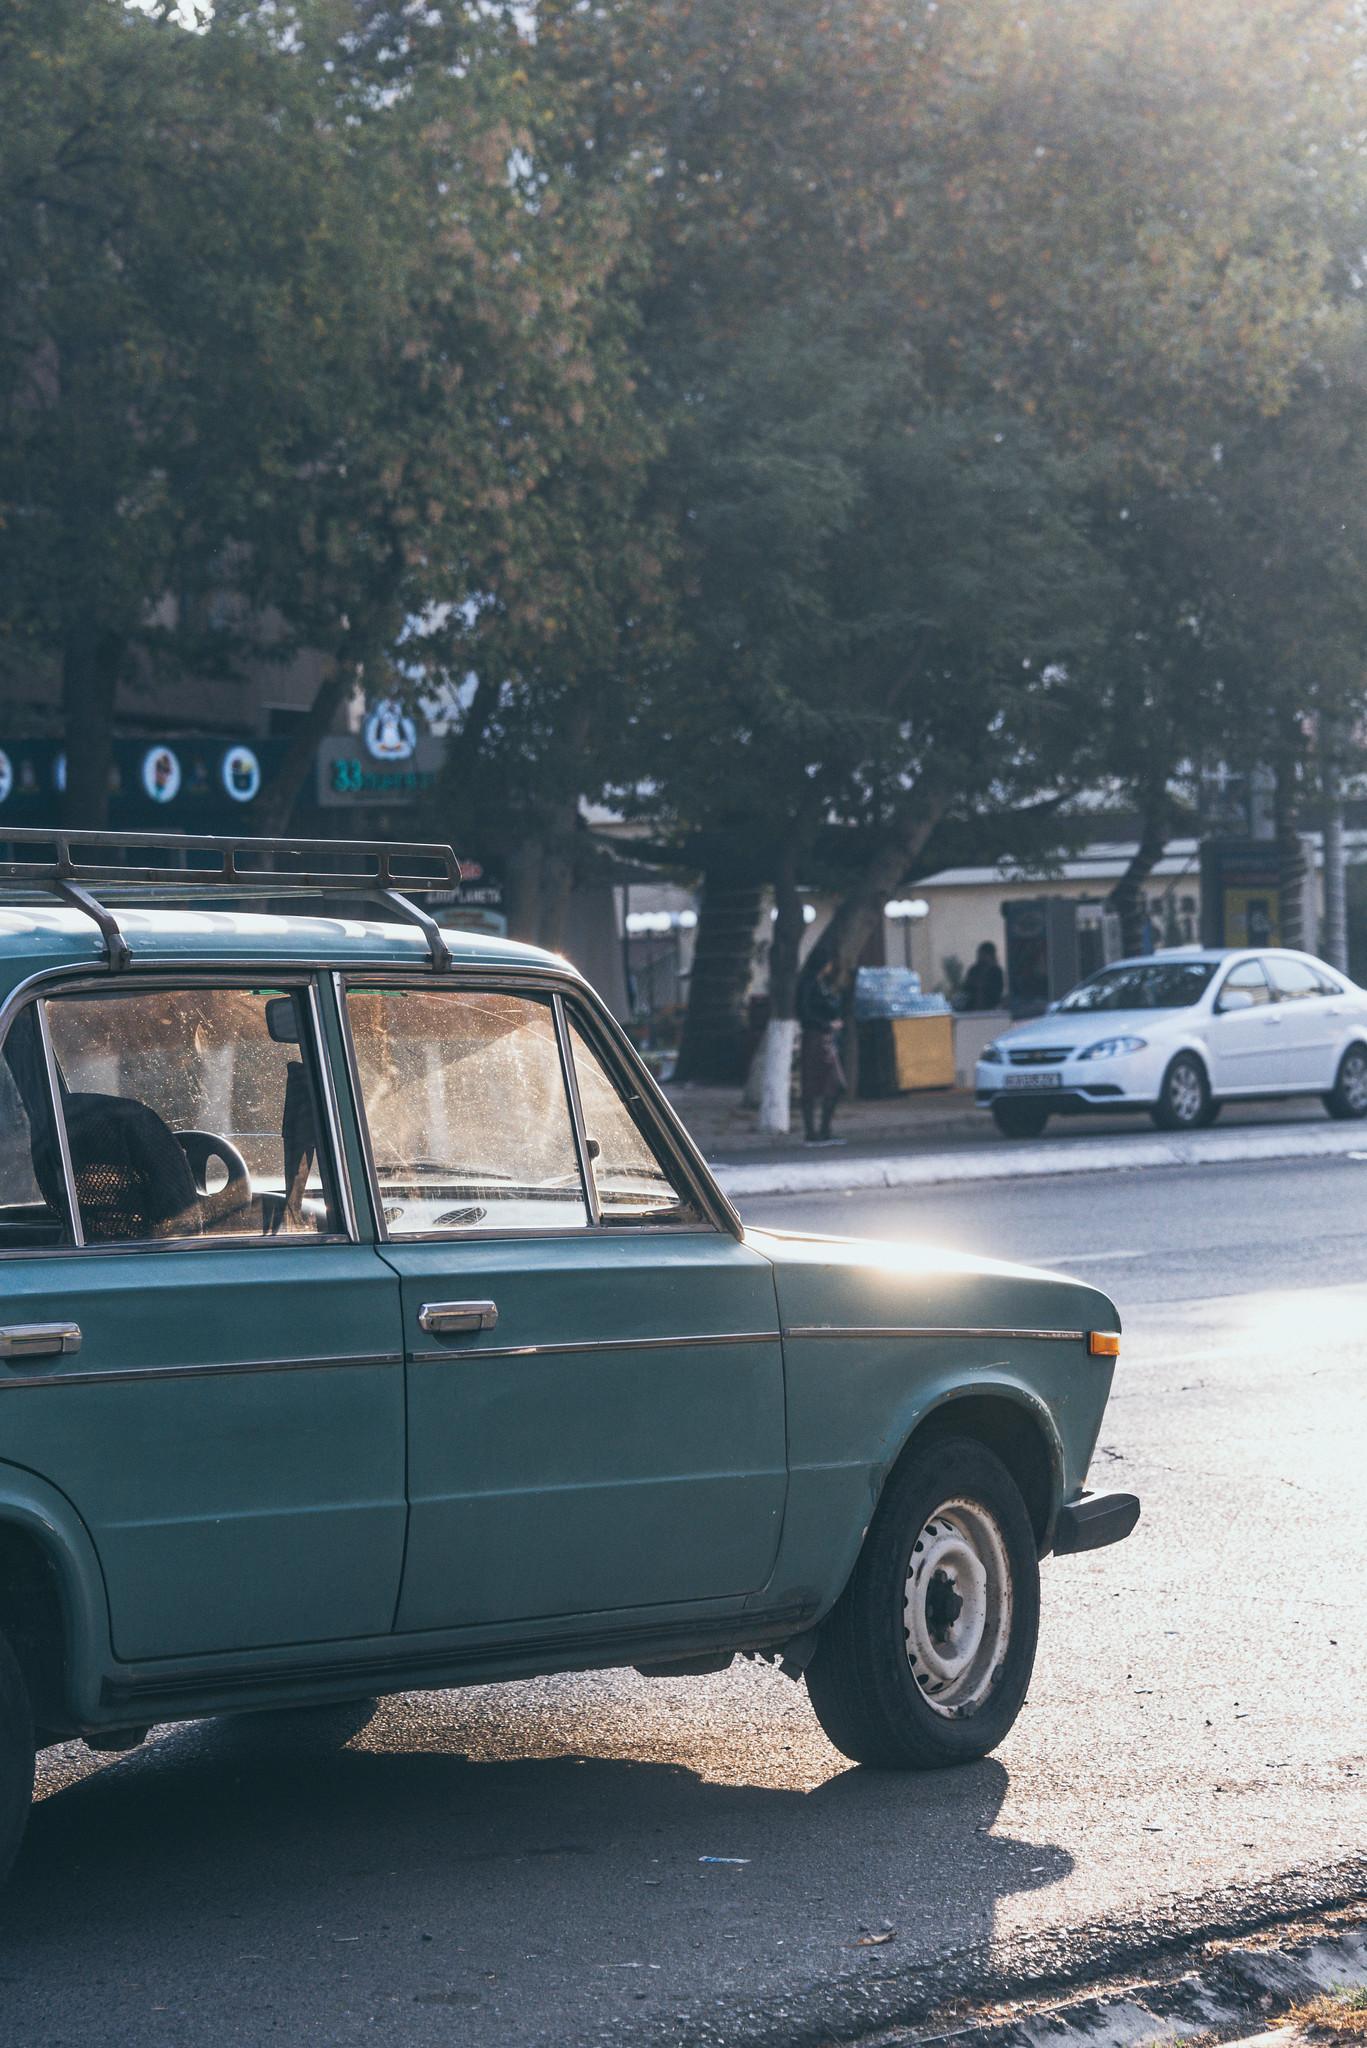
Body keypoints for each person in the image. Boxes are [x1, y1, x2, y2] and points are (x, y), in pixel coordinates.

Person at [799, 959, 847, 1144]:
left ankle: (824, 1130)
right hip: (815, 1038)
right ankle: (813, 1132)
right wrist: (827, 1024)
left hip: (825, 1038)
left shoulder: (820, 983)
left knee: (835, 1084)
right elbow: (805, 1013)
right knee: (812, 1085)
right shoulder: (809, 984)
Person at [961, 939, 1005, 1012]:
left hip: (991, 1011)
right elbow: (966, 989)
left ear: (990, 955)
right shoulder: (974, 970)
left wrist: (984, 986)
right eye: (979, 954)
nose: (980, 956)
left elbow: (997, 992)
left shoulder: (996, 972)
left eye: (983, 954)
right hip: (971, 1011)